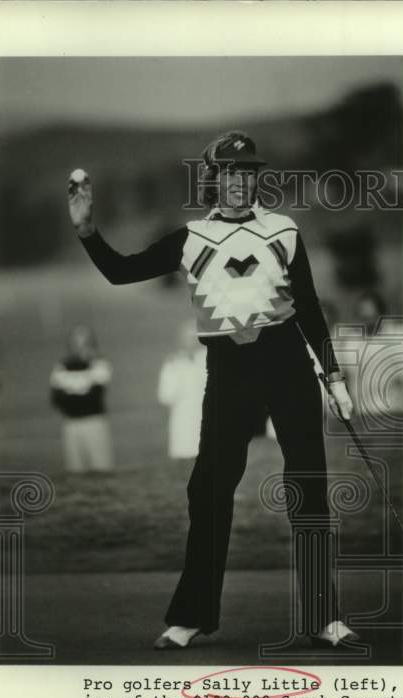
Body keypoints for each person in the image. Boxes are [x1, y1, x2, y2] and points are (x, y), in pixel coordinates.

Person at [66, 130, 360, 650]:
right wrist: (88, 231)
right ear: (213, 179)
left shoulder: (284, 231)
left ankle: (323, 616)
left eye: (249, 173)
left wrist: (334, 377)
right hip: (229, 369)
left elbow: (310, 308)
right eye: (230, 173)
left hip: (288, 362)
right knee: (208, 491)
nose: (241, 182)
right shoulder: (190, 238)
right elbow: (121, 271)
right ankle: (194, 613)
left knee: (309, 487)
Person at [50, 325, 114, 473]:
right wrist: (81, 391)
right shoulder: (63, 366)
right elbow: (56, 398)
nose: (80, 347)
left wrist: (71, 392)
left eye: (84, 342)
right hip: (71, 425)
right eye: (76, 342)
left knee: (101, 469)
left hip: (94, 423)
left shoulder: (99, 364)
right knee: (75, 470)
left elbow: (94, 396)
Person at [157, 321, 209, 460]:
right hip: (183, 423)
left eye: (195, 337)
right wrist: (174, 368)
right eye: (188, 337)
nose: (192, 341)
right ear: (180, 340)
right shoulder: (173, 364)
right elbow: (165, 397)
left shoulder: (210, 359)